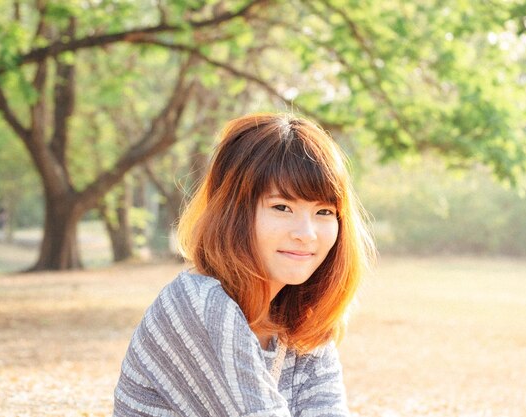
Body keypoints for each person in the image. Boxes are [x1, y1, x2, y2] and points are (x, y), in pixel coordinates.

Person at [113, 112, 375, 416]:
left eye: (324, 212)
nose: (306, 234)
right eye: (281, 207)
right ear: (233, 213)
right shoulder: (202, 304)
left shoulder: (301, 322)